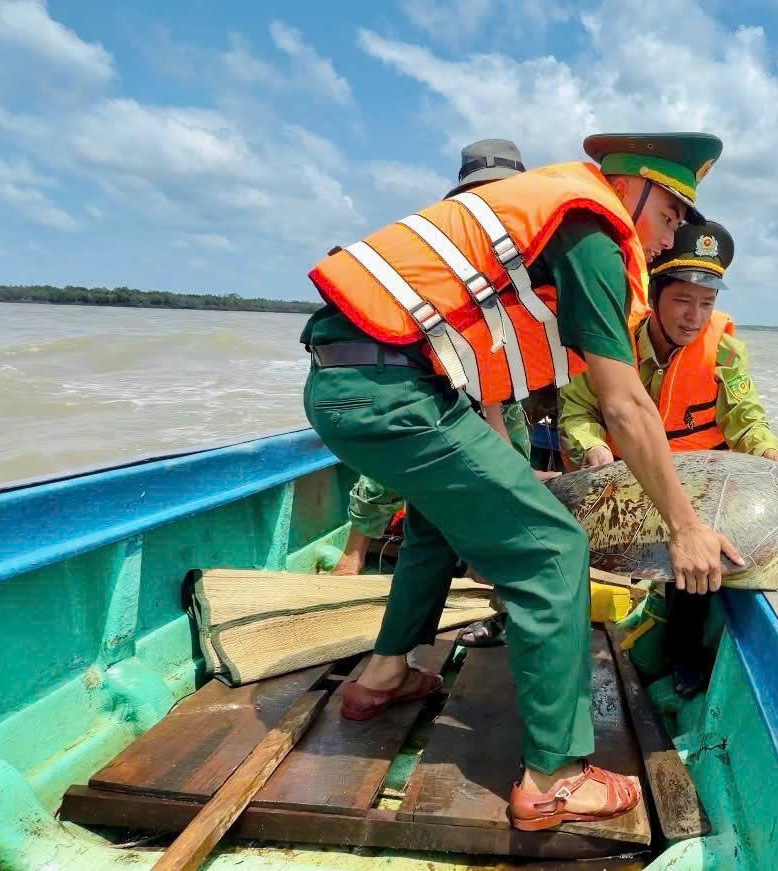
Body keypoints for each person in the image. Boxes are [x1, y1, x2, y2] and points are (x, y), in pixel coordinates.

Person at [300, 132, 743, 832]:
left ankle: (382, 674)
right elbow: (624, 405)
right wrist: (686, 526)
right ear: (634, 189)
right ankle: (554, 777)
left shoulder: (552, 220)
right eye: (668, 218)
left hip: (345, 381)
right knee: (552, 548)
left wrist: (509, 473)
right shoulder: (592, 227)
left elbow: (484, 393)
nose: (666, 241)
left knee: (435, 520)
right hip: (392, 393)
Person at [558, 220, 778, 697]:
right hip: (624, 482)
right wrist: (594, 447)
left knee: (707, 551)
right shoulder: (610, 342)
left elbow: (746, 421)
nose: (694, 316)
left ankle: (685, 651)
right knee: (557, 534)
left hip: (698, 491)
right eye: (683, 300)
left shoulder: (724, 350)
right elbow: (578, 409)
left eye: (707, 304)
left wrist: (771, 454)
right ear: (654, 294)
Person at [331, 139, 534, 579]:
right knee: (403, 450)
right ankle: (355, 551)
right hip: (428, 374)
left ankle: (489, 554)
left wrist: (498, 418)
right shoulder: (438, 252)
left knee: (512, 454)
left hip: (497, 374)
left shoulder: (523, 256)